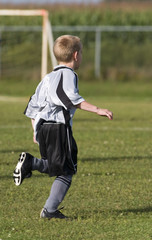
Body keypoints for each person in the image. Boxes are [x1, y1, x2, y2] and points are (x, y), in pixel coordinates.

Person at [13, 35, 113, 220]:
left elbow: (33, 106)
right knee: (66, 171)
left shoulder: (47, 77)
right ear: (76, 55)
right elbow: (70, 98)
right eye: (81, 52)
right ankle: (49, 211)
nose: (82, 55)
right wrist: (98, 109)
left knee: (55, 165)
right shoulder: (68, 75)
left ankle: (30, 163)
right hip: (58, 128)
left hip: (43, 126)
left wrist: (36, 129)